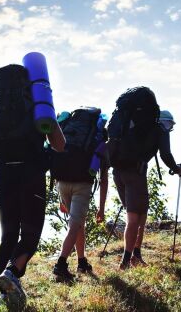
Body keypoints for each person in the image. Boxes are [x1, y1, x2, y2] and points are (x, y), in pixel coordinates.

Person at [0, 64, 65, 310]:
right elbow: (60, 145)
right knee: (30, 235)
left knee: (8, 235)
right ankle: (11, 273)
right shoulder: (39, 108)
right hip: (31, 174)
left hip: (4, 174)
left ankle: (4, 295)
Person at [113, 109, 181, 269]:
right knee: (134, 219)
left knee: (141, 214)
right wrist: (177, 168)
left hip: (118, 172)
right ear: (166, 122)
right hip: (135, 174)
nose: (169, 129)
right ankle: (126, 261)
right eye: (170, 125)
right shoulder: (160, 129)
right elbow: (165, 154)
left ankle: (135, 255)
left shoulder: (135, 125)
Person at [49, 109, 109, 281]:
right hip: (82, 184)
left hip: (61, 181)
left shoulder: (69, 130)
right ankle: (60, 264)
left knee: (77, 223)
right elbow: (103, 179)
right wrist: (102, 208)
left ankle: (81, 261)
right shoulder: (99, 138)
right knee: (74, 225)